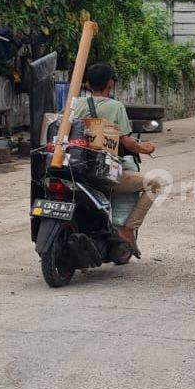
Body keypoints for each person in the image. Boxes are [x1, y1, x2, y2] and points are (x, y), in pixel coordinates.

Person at [73, 63, 161, 259]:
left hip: (77, 170)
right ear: (110, 84)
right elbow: (127, 142)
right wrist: (145, 148)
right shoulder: (115, 107)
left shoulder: (76, 104)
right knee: (156, 183)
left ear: (88, 84)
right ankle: (128, 229)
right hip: (104, 173)